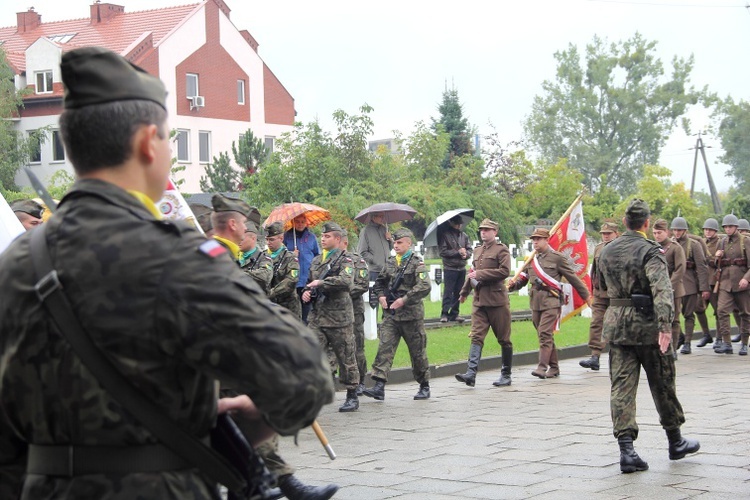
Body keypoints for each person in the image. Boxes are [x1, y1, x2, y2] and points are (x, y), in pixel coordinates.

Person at [0, 47, 333, 499]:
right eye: (168, 139)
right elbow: (302, 374)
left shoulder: (14, 267)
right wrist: (255, 419)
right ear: (145, 143)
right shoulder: (175, 257)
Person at [598, 199, 699, 474]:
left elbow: (601, 286)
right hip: (649, 328)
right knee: (663, 382)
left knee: (621, 388)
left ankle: (627, 451)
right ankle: (675, 441)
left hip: (617, 327)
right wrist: (666, 326)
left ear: (623, 222)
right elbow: (662, 289)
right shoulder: (650, 251)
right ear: (646, 223)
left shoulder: (606, 251)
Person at [362, 228, 432, 401]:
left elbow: (424, 286)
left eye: (400, 242)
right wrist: (381, 297)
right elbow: (379, 284)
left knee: (417, 353)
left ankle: (424, 385)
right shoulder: (391, 262)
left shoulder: (417, 263)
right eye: (395, 242)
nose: (396, 245)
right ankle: (379, 386)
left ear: (409, 243)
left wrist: (405, 299)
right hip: (391, 315)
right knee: (384, 348)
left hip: (411, 316)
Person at [303, 222, 359, 412]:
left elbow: (346, 281)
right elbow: (310, 283)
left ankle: (352, 394)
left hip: (339, 318)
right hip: (317, 317)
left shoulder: (346, 260)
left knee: (346, 357)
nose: (323, 239)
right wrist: (306, 292)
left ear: (337, 239)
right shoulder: (317, 260)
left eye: (327, 237)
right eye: (322, 236)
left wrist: (322, 282)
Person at [524, 228, 591, 379]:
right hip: (535, 302)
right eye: (533, 239)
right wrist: (511, 285)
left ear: (546, 240)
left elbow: (573, 278)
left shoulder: (557, 258)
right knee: (544, 335)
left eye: (538, 239)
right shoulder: (531, 259)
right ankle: (554, 367)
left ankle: (542, 367)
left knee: (545, 333)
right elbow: (525, 278)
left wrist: (587, 296)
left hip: (551, 301)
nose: (535, 242)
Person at [456, 218, 513, 387]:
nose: (483, 232)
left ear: (495, 232)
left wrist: (480, 274)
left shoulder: (501, 250)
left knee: (504, 338)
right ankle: (471, 373)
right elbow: (472, 273)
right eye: (481, 229)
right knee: (476, 336)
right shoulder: (477, 251)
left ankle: (506, 374)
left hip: (496, 301)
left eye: (487, 230)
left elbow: (504, 271)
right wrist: (464, 292)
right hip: (480, 300)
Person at [579, 222, 619, 371]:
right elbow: (593, 273)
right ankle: (595, 356)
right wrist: (591, 292)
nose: (605, 236)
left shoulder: (622, 248)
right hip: (600, 293)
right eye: (603, 233)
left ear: (616, 233)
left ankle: (618, 356)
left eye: (609, 233)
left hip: (617, 294)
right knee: (596, 323)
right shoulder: (598, 248)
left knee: (616, 325)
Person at [670, 216, 710, 354]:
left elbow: (702, 267)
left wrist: (704, 287)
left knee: (688, 314)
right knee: (673, 315)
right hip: (674, 284)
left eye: (679, 230)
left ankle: (687, 342)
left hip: (689, 283)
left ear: (685, 230)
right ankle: (679, 336)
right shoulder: (670, 244)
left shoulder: (693, 245)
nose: (676, 233)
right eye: (674, 230)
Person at [714, 214, 750, 355]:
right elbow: (718, 265)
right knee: (721, 311)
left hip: (741, 282)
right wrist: (717, 257)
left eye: (730, 226)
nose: (728, 229)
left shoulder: (745, 241)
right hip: (725, 282)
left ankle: (744, 343)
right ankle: (727, 342)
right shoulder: (721, 242)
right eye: (726, 227)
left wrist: (746, 279)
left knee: (745, 313)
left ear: (736, 227)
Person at [340, 229, 370, 395]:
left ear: (343, 242)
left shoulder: (358, 261)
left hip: (353, 309)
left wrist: (341, 292)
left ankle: (361, 380)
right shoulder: (328, 261)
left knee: (357, 345)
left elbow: (362, 284)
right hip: (334, 312)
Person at [652, 219, 686, 357]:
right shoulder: (652, 247)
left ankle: (673, 347)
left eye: (659, 232)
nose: (657, 235)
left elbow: (680, 268)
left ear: (667, 232)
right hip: (657, 290)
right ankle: (661, 347)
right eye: (654, 233)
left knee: (674, 319)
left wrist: (669, 286)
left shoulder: (675, 248)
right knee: (659, 319)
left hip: (674, 289)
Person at [284, 215, 320, 323]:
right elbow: (281, 256)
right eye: (297, 222)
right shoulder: (286, 236)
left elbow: (317, 256)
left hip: (307, 280)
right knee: (293, 314)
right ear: (293, 222)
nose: (300, 224)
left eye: (302, 222)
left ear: (306, 223)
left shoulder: (311, 237)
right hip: (292, 280)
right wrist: (291, 254)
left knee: (307, 313)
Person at [439, 214, 473, 322]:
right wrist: (457, 252)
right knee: (448, 292)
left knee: (459, 291)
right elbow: (443, 251)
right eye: (457, 224)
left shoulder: (464, 236)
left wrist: (465, 254)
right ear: (452, 223)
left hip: (461, 267)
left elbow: (469, 250)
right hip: (450, 267)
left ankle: (455, 313)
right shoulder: (445, 235)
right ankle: (444, 314)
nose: (459, 226)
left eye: (460, 224)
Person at [266, 221, 302, 319]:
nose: (268, 243)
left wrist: (271, 293)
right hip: (269, 309)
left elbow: (291, 280)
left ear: (281, 238)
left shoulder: (290, 258)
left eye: (272, 240)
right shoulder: (263, 257)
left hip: (287, 309)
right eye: (267, 239)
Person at [696, 218, 721, 348]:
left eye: (710, 230)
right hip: (702, 281)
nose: (707, 232)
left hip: (714, 281)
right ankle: (706, 334)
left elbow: (720, 260)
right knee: (698, 308)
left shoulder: (720, 243)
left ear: (715, 231)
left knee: (718, 311)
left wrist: (710, 258)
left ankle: (719, 337)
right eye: (706, 229)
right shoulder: (701, 242)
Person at [210, 193, 250, 261]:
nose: (245, 228)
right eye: (244, 222)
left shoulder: (211, 251)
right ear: (232, 224)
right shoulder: (223, 259)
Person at [357, 212, 392, 281]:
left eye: (383, 216)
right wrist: (375, 260)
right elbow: (362, 252)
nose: (382, 218)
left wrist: (390, 239)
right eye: (380, 216)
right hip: (375, 271)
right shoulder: (366, 231)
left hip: (388, 270)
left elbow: (390, 248)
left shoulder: (384, 229)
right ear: (373, 217)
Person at [240, 220, 273, 293]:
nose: (239, 240)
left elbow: (265, 275)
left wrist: (238, 274)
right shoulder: (235, 256)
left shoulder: (263, 257)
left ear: (253, 238)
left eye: (242, 238)